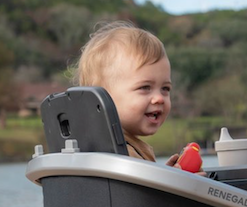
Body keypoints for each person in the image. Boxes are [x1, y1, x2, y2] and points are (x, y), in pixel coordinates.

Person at [73, 21, 180, 165]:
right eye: (145, 87)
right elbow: (134, 188)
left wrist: (169, 174)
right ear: (101, 99)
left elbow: (141, 188)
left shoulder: (102, 147)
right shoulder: (120, 157)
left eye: (165, 88)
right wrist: (174, 182)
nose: (159, 98)